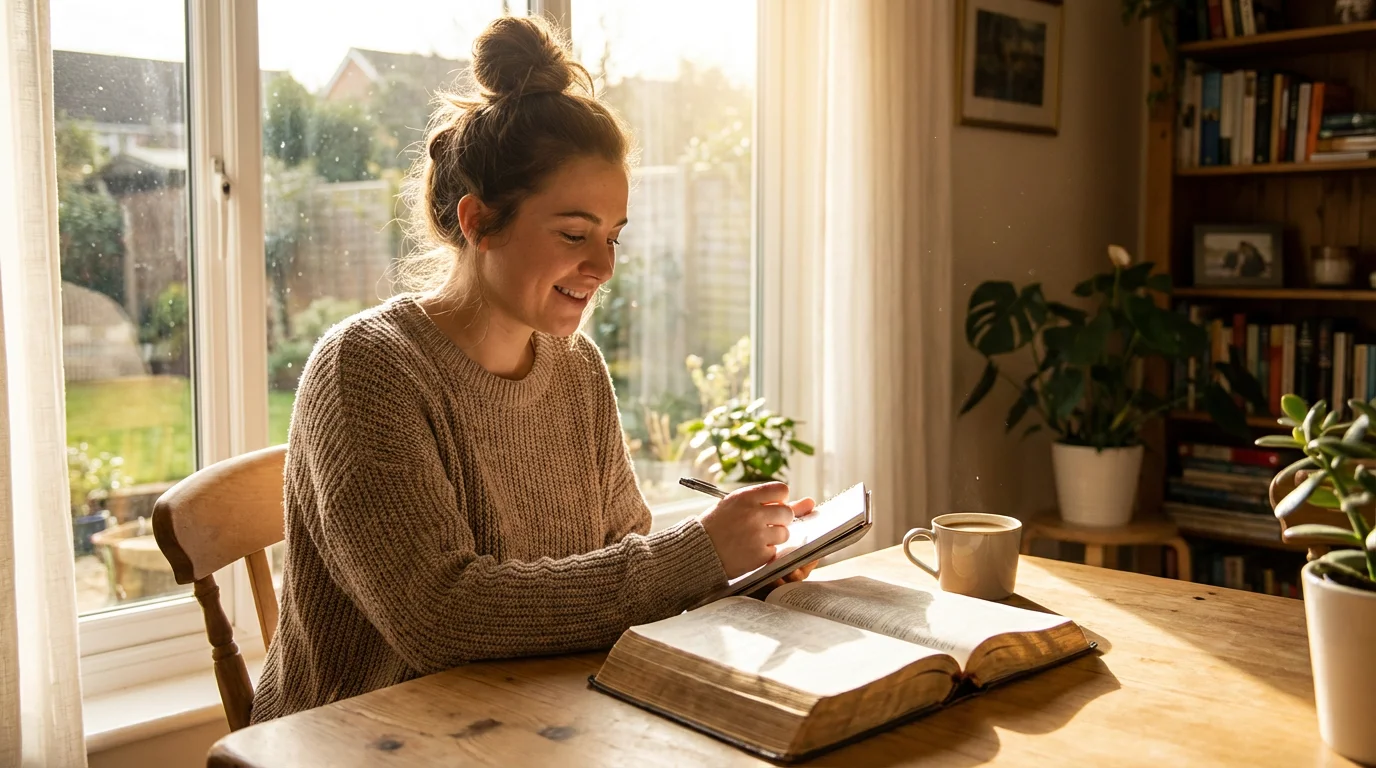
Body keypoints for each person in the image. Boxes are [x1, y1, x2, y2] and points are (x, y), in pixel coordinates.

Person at [250, 15, 816, 723]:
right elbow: (441, 618)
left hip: (530, 716)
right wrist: (694, 556)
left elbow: (623, 561)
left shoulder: (577, 369)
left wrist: (737, 569)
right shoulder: (366, 370)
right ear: (480, 221)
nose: (604, 267)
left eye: (612, 237)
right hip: (361, 735)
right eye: (575, 234)